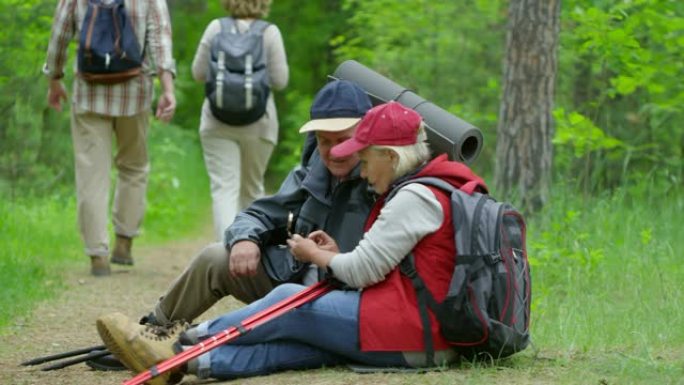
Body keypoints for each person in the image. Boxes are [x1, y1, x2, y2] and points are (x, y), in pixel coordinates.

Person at [96, 101, 489, 382]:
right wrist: (327, 253)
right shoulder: (420, 187)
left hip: (410, 329)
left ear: (388, 155)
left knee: (289, 305)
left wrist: (319, 254)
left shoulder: (414, 196)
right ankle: (187, 366)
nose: (362, 169)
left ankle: (179, 347)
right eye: (324, 141)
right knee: (293, 351)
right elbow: (387, 266)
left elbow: (363, 270)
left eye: (365, 158)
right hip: (419, 333)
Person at [44, 0, 177, 276]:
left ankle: (98, 256)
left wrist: (54, 79)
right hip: (135, 95)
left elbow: (59, 35)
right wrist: (167, 89)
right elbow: (160, 42)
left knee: (92, 174)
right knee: (134, 167)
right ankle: (124, 243)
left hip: (89, 94)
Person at [192, 0, 289, 241]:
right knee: (252, 190)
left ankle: (226, 254)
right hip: (260, 123)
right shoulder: (270, 32)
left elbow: (198, 73)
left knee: (224, 189)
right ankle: (253, 252)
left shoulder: (216, 28)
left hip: (216, 121)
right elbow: (280, 80)